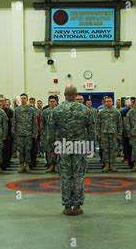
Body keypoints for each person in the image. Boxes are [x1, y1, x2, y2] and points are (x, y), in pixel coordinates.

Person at [47, 85, 95, 215]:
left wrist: (51, 148)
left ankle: (67, 206)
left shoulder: (56, 110)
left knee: (66, 177)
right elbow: (91, 131)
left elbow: (50, 131)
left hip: (63, 146)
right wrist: (90, 148)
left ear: (64, 94)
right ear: (76, 95)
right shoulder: (85, 110)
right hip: (80, 146)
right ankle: (77, 206)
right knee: (78, 176)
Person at [12, 93, 37, 173]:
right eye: (22, 98)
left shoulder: (31, 110)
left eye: (24, 98)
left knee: (28, 150)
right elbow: (14, 122)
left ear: (27, 99)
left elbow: (34, 122)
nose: (23, 100)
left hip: (28, 134)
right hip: (19, 134)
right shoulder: (17, 110)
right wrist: (14, 132)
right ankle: (21, 165)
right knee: (21, 150)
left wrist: (34, 132)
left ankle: (27, 165)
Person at [96, 96, 122, 172]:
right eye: (107, 101)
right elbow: (98, 124)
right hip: (104, 134)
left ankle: (112, 165)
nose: (108, 103)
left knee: (113, 150)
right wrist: (98, 133)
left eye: (110, 101)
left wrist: (119, 134)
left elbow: (119, 124)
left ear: (112, 102)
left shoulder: (116, 112)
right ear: (104, 102)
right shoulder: (101, 112)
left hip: (114, 133)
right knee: (105, 150)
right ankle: (107, 165)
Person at [41, 96, 58, 173]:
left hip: (57, 134)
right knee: (49, 150)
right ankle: (50, 165)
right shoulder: (45, 111)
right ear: (48, 102)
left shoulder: (59, 111)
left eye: (53, 101)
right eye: (51, 101)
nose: (52, 102)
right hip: (48, 134)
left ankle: (57, 165)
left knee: (57, 150)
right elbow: (42, 124)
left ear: (56, 102)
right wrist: (43, 133)